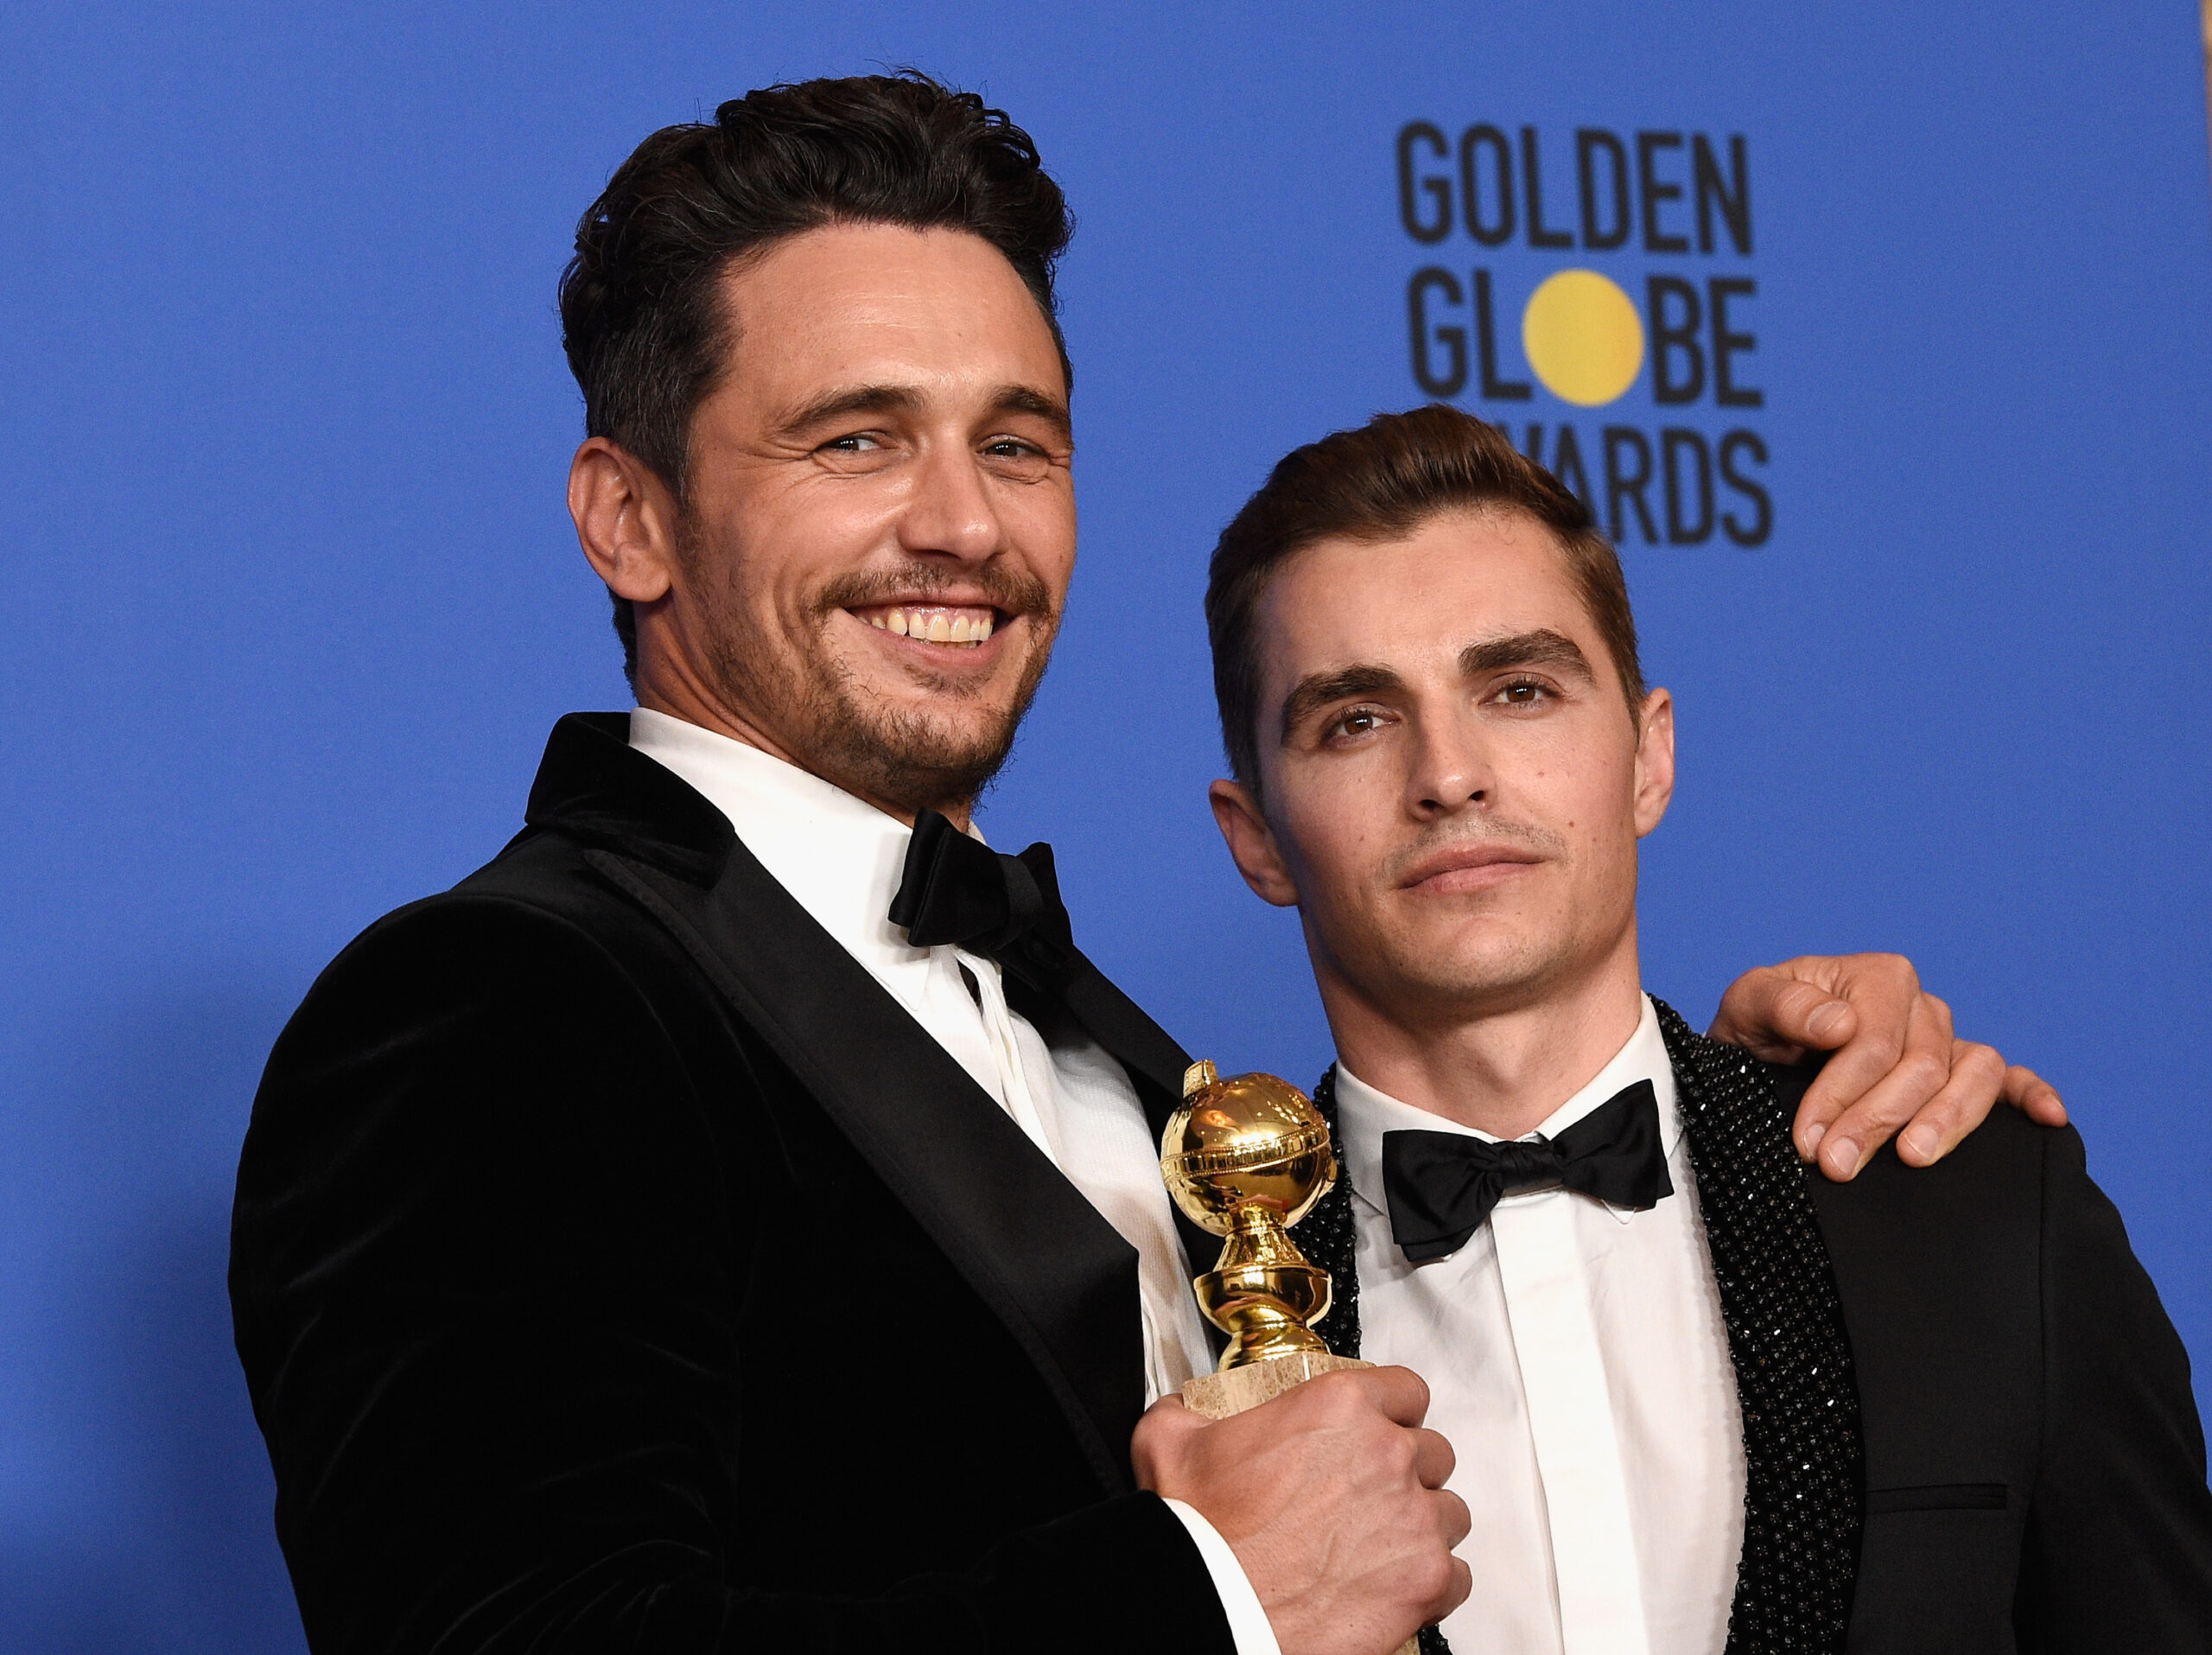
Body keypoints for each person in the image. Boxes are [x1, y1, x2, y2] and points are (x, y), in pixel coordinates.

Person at [230, 76, 2061, 1655]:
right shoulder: (501, 1003)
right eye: (856, 437)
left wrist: (1757, 1099)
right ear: (628, 516)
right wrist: (1206, 1595)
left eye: (1012, 442)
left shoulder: (1116, 1047)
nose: (960, 522)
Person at [1177, 402, 2212, 1653]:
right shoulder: (1166, 1297)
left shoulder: (1981, 1206)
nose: (1449, 774)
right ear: (1254, 838)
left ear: (1650, 758)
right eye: (1356, 719)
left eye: (1518, 687)